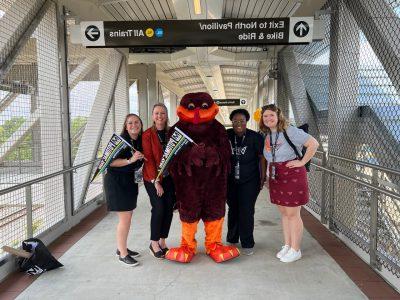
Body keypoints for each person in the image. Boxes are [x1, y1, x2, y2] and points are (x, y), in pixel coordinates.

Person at [260, 104, 319, 263]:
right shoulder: (268, 135)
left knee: (293, 214)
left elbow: (313, 143)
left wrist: (302, 162)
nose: (268, 119)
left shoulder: (290, 131)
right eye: (265, 116)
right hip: (276, 176)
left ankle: (296, 249)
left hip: (292, 174)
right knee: (285, 214)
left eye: (271, 115)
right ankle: (287, 245)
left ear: (279, 116)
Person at [104, 114, 145, 266]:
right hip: (117, 183)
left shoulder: (138, 140)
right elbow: (110, 162)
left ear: (140, 124)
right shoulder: (120, 141)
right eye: (130, 123)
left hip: (129, 183)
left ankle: (121, 247)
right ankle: (123, 254)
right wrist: (130, 160)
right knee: (125, 219)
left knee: (128, 216)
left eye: (136, 122)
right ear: (126, 126)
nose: (133, 125)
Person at [226, 109, 264, 256]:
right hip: (230, 181)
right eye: (235, 121)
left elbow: (261, 157)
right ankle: (232, 239)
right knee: (233, 209)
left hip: (250, 180)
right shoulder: (227, 135)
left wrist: (262, 177)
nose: (238, 124)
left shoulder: (255, 137)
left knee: (247, 210)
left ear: (246, 122)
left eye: (241, 121)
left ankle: (247, 242)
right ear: (232, 122)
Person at [142, 103, 176, 259]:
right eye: (156, 113)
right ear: (152, 116)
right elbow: (148, 160)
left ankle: (163, 241)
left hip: (169, 177)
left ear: (166, 115)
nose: (160, 116)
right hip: (152, 177)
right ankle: (153, 242)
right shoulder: (147, 135)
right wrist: (155, 181)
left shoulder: (172, 133)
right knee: (159, 207)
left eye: (163, 113)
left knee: (169, 208)